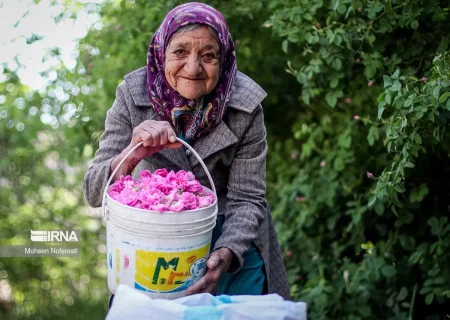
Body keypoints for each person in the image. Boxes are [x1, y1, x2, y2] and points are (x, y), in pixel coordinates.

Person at [83, 2, 290, 305]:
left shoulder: (245, 106)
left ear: (224, 59)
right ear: (161, 52)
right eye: (180, 52)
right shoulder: (132, 96)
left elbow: (247, 199)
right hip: (154, 243)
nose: (193, 68)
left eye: (208, 56)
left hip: (230, 239)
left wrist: (225, 254)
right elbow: (93, 191)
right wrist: (132, 152)